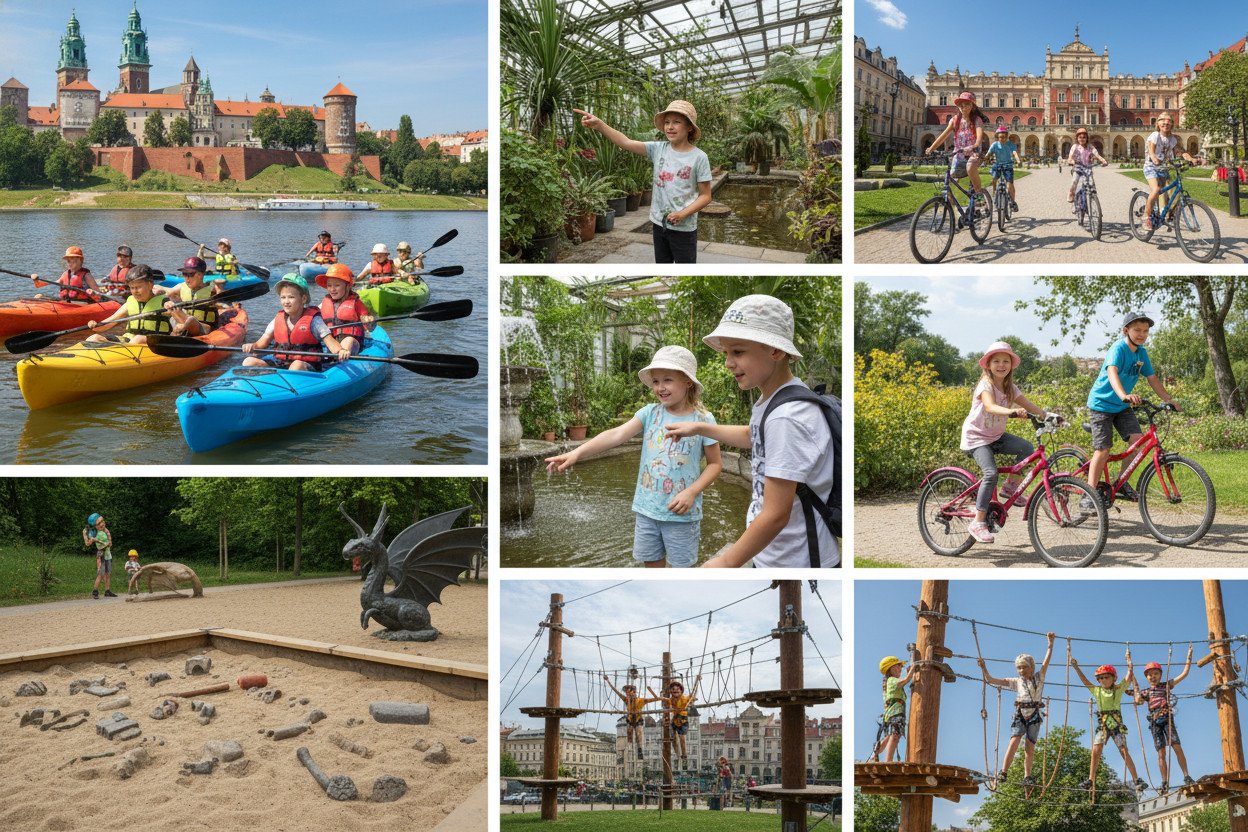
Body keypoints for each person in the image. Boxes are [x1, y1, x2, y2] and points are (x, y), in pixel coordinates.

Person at [665, 295, 837, 568]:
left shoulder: (787, 417)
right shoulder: (773, 400)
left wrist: (726, 562)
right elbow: (754, 435)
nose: (728, 363)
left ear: (775, 351)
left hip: (796, 559)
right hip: (773, 551)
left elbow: (776, 514)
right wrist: (698, 427)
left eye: (738, 352)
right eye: (726, 353)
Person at [545, 346, 722, 568]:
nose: (660, 387)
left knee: (682, 573)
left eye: (667, 380)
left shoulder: (703, 420)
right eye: (656, 381)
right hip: (647, 511)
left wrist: (691, 492)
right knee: (651, 568)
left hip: (681, 514)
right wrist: (576, 453)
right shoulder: (649, 413)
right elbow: (616, 434)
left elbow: (715, 464)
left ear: (688, 381)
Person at [573, 100, 712, 264]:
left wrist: (683, 214)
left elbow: (706, 196)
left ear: (689, 127)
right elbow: (626, 142)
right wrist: (600, 125)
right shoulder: (658, 149)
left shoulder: (699, 157)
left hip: (684, 228)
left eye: (677, 122)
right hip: (659, 223)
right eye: (667, 122)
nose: (670, 127)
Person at [960, 341, 1061, 544]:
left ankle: (1009, 488)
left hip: (996, 437)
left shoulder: (1010, 388)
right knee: (991, 473)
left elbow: (1029, 405)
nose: (1001, 365)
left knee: (1026, 448)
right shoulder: (985, 385)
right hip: (976, 438)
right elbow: (989, 406)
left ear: (1011, 365)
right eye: (996, 361)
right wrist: (1011, 412)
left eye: (1005, 361)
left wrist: (1047, 415)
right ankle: (978, 522)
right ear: (988, 365)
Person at [1084, 312, 1180, 507]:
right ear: (1126, 330)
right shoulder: (1118, 348)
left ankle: (1121, 482)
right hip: (1102, 405)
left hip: (1122, 407)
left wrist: (1169, 399)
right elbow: (1112, 372)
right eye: (1137, 330)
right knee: (1103, 450)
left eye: (1145, 331)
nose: (1142, 334)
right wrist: (1123, 395)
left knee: (1137, 441)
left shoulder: (1142, 353)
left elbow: (1152, 378)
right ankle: (1089, 494)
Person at [976, 632, 1056, 786]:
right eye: (1018, 668)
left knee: (1029, 747)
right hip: (1020, 713)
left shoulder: (1039, 677)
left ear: (1031, 667)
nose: (1021, 671)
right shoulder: (1016, 682)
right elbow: (991, 680)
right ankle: (1003, 772)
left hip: (1034, 714)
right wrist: (984, 669)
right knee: (1014, 741)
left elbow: (1046, 662)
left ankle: (1027, 776)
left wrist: (1050, 644)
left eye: (1024, 667)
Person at [1071, 651, 1147, 795]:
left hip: (1116, 725)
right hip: (1104, 725)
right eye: (1101, 678)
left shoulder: (1118, 690)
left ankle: (1136, 780)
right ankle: (1090, 779)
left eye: (1107, 677)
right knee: (1095, 751)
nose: (1104, 680)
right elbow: (1085, 681)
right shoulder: (1097, 691)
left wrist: (1129, 661)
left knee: (1124, 751)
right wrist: (1076, 667)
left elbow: (1129, 676)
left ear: (1113, 678)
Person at [241, 274, 350, 372]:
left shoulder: (314, 321)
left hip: (306, 365)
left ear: (303, 298)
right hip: (281, 363)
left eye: (291, 297)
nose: (286, 302)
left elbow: (330, 342)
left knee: (296, 365)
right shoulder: (277, 319)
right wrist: (252, 346)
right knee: (248, 361)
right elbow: (261, 344)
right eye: (283, 297)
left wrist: (341, 351)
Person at [1134, 647, 1197, 793]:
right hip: (1155, 721)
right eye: (1149, 675)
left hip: (1166, 717)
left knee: (1176, 746)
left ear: (1160, 675)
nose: (1152, 677)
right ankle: (1164, 781)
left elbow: (1184, 674)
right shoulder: (1146, 692)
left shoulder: (1165, 686)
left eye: (1155, 674)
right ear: (1146, 677)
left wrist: (1188, 658)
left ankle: (1186, 775)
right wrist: (1136, 690)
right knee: (1161, 752)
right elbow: (1139, 701)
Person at [924, 91, 988, 207]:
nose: (963, 106)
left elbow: (979, 137)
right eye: (961, 104)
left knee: (970, 167)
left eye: (966, 104)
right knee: (949, 181)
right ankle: (953, 209)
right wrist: (931, 148)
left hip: (974, 153)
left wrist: (975, 145)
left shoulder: (976, 119)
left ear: (972, 106)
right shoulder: (954, 120)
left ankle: (979, 195)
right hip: (958, 154)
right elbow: (943, 136)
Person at [86, 265, 171, 345]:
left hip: (155, 343)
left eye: (138, 287)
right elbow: (108, 323)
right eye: (132, 288)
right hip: (130, 341)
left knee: (138, 339)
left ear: (150, 285)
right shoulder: (130, 302)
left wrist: (174, 310)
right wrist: (95, 325)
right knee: (93, 338)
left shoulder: (164, 302)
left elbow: (182, 322)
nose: (135, 291)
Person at [1142, 112, 1199, 230]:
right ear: (1157, 123)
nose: (1165, 122)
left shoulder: (1173, 139)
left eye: (1169, 120)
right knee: (1156, 189)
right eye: (1162, 119)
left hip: (1164, 168)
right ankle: (1146, 217)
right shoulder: (1155, 135)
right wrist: (1153, 157)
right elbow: (1151, 149)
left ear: (1172, 124)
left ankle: (1167, 215)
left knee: (1172, 192)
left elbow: (1181, 151)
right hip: (1151, 167)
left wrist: (1191, 159)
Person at [316, 263, 375, 354]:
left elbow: (370, 328)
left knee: (348, 340)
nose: (332, 289)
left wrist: (369, 321)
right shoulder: (324, 303)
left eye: (337, 285)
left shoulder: (356, 303)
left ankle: (342, 356)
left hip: (353, 343)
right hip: (333, 344)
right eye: (329, 285)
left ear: (348, 286)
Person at [870, 656, 915, 763]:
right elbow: (905, 680)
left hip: (892, 713)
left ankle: (873, 757)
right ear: (891, 668)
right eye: (899, 666)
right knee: (895, 736)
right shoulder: (891, 680)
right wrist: (913, 668)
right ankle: (888, 761)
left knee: (889, 737)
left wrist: (910, 673)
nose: (901, 668)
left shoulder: (891, 681)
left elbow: (905, 682)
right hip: (895, 712)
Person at [163, 257, 222, 337]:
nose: (187, 278)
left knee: (191, 320)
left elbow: (223, 299)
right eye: (184, 274)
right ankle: (177, 332)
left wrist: (219, 293)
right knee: (174, 310)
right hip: (184, 323)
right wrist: (167, 302)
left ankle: (181, 329)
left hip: (205, 328)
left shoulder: (212, 289)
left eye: (190, 274)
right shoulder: (181, 287)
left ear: (200, 275)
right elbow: (165, 293)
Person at [649, 678, 700, 768]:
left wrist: (697, 682)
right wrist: (658, 697)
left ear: (680, 690)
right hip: (675, 721)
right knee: (673, 739)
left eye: (677, 689)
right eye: (673, 690)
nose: (675, 691)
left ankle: (684, 755)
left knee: (682, 739)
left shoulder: (684, 698)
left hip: (683, 721)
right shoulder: (671, 700)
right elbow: (665, 699)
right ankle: (678, 754)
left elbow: (692, 696)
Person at [602, 677, 656, 757]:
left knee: (639, 733)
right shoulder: (626, 700)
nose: (628, 695)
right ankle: (630, 750)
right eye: (627, 693)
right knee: (629, 733)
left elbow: (652, 700)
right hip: (630, 719)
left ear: (634, 692)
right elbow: (615, 691)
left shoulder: (640, 700)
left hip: (638, 719)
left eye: (629, 693)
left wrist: (658, 697)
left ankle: (640, 749)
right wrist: (608, 681)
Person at [31, 245, 101, 302]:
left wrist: (93, 293)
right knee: (38, 296)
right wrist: (36, 280)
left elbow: (99, 295)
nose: (69, 263)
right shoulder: (65, 274)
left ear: (80, 260)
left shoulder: (87, 276)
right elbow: (39, 285)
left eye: (72, 260)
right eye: (68, 261)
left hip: (81, 305)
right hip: (65, 303)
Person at [1067, 127, 1108, 209]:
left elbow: (1097, 155)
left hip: (1087, 168)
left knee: (1091, 184)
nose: (1082, 139)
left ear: (1087, 138)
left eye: (1084, 137)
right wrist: (1071, 161)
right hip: (1077, 168)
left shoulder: (1090, 147)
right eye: (1080, 137)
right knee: (1075, 180)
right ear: (1077, 138)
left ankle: (1093, 198)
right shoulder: (1075, 146)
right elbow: (1070, 157)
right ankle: (1071, 193)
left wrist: (1104, 161)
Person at [986, 125, 1021, 211]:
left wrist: (1018, 160)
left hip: (1008, 166)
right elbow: (988, 153)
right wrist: (985, 158)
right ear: (997, 137)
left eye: (1005, 137)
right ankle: (994, 193)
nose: (1003, 139)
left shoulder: (1010, 144)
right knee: (994, 179)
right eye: (1001, 137)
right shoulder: (995, 145)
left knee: (1010, 184)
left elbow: (1014, 153)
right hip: (997, 165)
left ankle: (1012, 202)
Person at [83, 513, 116, 599]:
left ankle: (107, 591)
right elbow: (87, 543)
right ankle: (95, 591)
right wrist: (85, 535)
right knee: (101, 574)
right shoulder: (94, 533)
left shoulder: (105, 530)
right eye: (99, 523)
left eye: (103, 521)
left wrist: (109, 541)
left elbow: (109, 538)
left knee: (108, 573)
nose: (102, 523)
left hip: (108, 554)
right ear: (95, 526)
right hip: (101, 554)